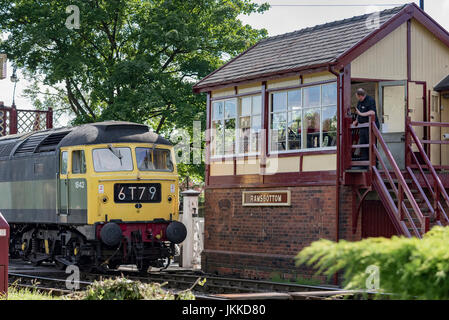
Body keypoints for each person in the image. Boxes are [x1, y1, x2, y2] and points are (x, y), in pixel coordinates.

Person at [353, 88, 380, 162]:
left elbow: (372, 112)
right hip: (362, 126)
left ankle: (374, 163)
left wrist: (361, 114)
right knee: (363, 144)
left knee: (371, 145)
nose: (357, 98)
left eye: (357, 97)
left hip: (371, 127)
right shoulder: (359, 102)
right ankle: (365, 163)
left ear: (360, 96)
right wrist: (356, 121)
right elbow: (358, 113)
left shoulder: (370, 100)